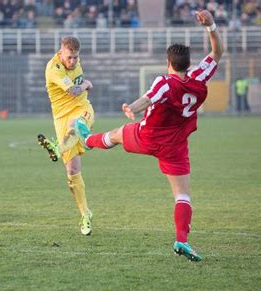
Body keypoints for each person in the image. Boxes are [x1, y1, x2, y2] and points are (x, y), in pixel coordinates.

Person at [74, 10, 224, 261]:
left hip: (148, 136)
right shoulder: (200, 78)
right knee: (182, 195)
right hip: (176, 146)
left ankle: (87, 140)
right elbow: (217, 52)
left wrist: (131, 108)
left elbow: (148, 98)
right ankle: (181, 240)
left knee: (118, 134)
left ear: (168, 62)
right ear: (189, 63)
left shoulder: (165, 82)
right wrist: (211, 26)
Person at [37, 37, 95, 236]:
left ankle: (66, 144)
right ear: (60, 52)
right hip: (61, 118)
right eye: (69, 57)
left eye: (75, 57)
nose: (72, 61)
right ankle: (85, 214)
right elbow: (72, 90)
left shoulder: (76, 60)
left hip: (82, 109)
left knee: (76, 124)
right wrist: (87, 83)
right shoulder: (54, 68)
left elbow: (77, 95)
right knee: (72, 172)